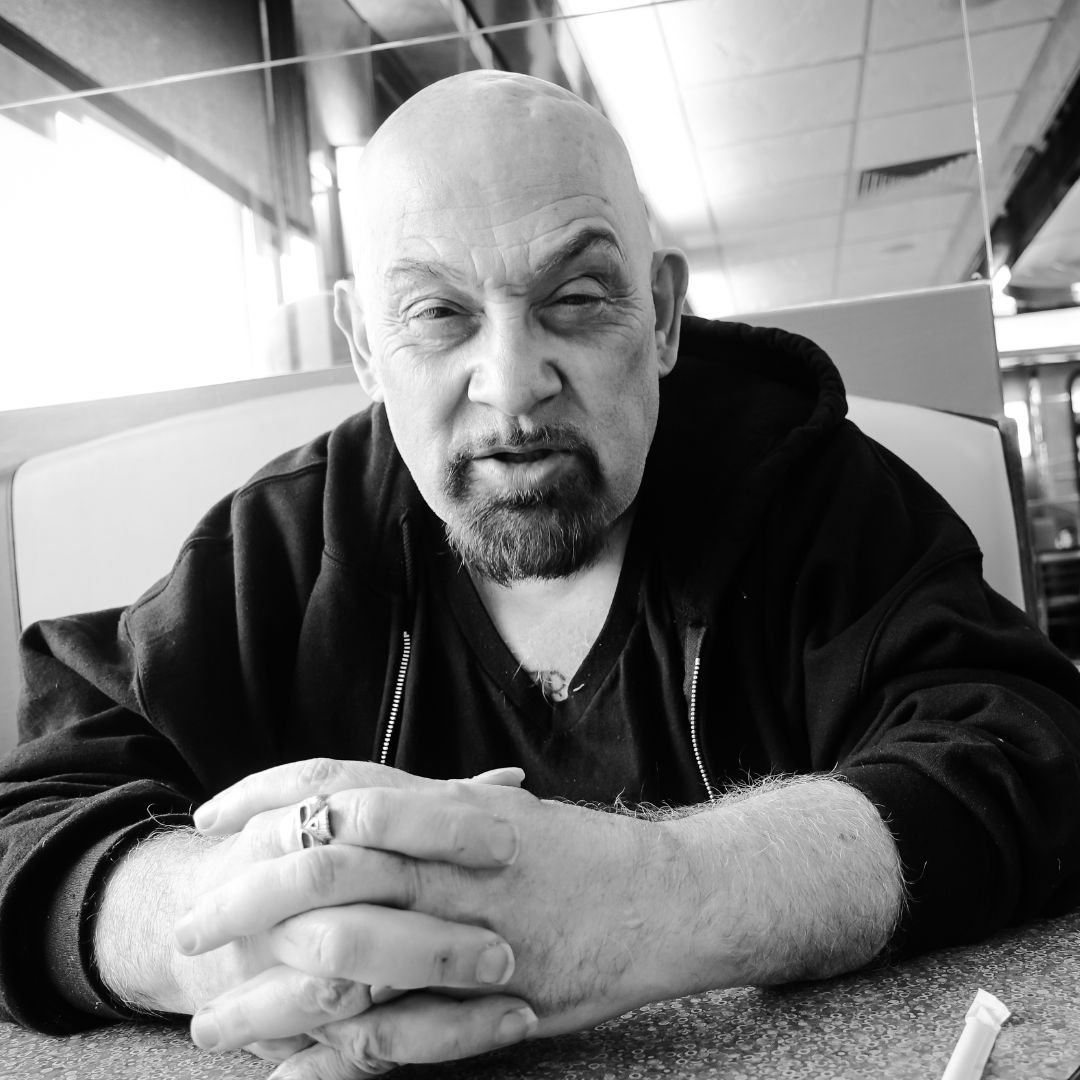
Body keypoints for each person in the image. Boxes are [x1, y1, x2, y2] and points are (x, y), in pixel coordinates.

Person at [2, 69, 1079, 1080]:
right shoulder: (275, 552)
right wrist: (219, 923)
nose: (511, 389)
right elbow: (28, 814)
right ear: (367, 344)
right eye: (438, 313)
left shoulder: (810, 492)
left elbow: (1035, 746)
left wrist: (659, 893)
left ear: (659, 315)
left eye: (575, 297)